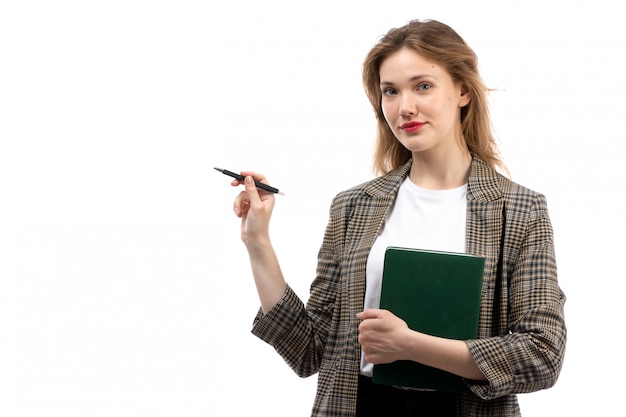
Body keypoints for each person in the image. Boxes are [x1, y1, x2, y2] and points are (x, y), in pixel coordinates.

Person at [229, 19, 566, 417]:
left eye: (423, 86)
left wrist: (411, 345)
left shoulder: (519, 209)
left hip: (463, 409)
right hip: (358, 406)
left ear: (462, 90)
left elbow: (543, 354)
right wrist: (258, 242)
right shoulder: (354, 206)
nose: (404, 107)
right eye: (391, 91)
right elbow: (309, 350)